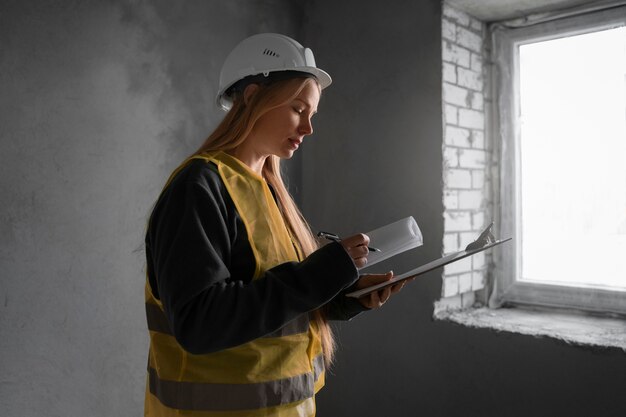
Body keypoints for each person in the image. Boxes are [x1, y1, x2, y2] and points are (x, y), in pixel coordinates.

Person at [143, 33, 407, 417]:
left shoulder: (268, 190)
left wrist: (340, 297)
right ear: (252, 97)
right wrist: (320, 273)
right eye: (299, 109)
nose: (308, 128)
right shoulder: (198, 189)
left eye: (312, 114)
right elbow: (201, 323)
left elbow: (267, 299)